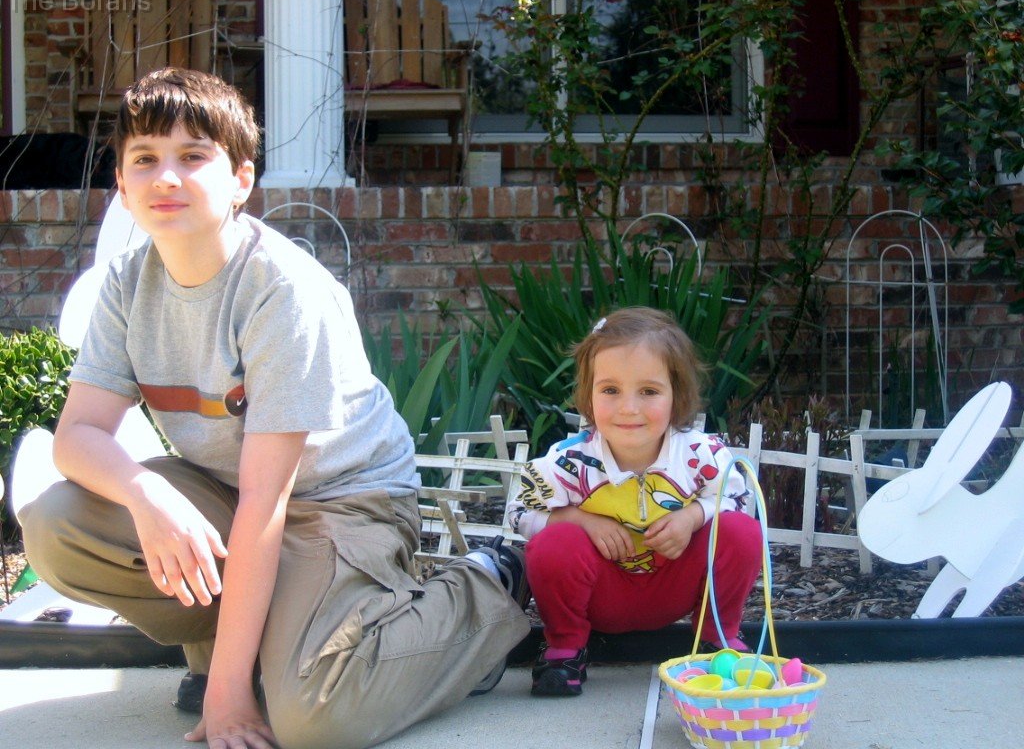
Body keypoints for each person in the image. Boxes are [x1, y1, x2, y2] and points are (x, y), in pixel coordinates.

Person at [20, 68, 530, 749]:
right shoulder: (126, 283)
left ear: (241, 180)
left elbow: (268, 502)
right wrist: (148, 495)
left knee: (315, 719)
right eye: (144, 159)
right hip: (229, 493)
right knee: (58, 526)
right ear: (121, 182)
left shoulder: (281, 290)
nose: (165, 177)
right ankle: (244, 644)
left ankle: (485, 591)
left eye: (192, 156)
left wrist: (229, 696)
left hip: (343, 501)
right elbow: (77, 436)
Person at [507, 307, 762, 696]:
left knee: (740, 531)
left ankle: (718, 640)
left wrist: (694, 516)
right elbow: (518, 512)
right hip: (601, 595)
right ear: (588, 396)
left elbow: (741, 497)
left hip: (673, 585)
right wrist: (581, 520)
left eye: (649, 391)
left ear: (676, 395)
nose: (629, 408)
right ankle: (565, 649)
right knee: (554, 543)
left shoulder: (700, 454)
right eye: (610, 390)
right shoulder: (568, 461)